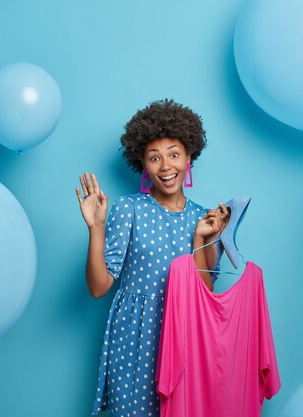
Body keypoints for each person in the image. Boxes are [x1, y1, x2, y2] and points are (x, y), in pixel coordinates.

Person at [76, 99, 229, 417]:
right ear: (142, 165)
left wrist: (204, 237)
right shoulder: (128, 209)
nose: (166, 166)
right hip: (135, 338)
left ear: (189, 157)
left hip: (185, 337)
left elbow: (206, 295)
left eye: (174, 154)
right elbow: (98, 287)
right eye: (154, 158)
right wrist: (96, 228)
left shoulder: (203, 218)